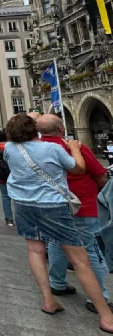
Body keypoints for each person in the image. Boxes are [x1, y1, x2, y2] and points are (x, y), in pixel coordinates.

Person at [3, 113, 113, 332]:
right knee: (80, 259)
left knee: (35, 251)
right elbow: (79, 169)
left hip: (23, 205)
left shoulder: (9, 148)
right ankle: (106, 315)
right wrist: (73, 148)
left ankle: (48, 300)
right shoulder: (52, 149)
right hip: (52, 205)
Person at [35, 115, 113, 314]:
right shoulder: (74, 147)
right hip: (82, 205)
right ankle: (98, 298)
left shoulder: (35, 149)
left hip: (51, 205)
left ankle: (57, 283)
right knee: (88, 250)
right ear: (61, 128)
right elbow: (100, 175)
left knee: (55, 243)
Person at [0, 131, 15, 226]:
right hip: (14, 175)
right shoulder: (11, 147)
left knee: (5, 197)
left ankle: (9, 219)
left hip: (1, 176)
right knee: (18, 197)